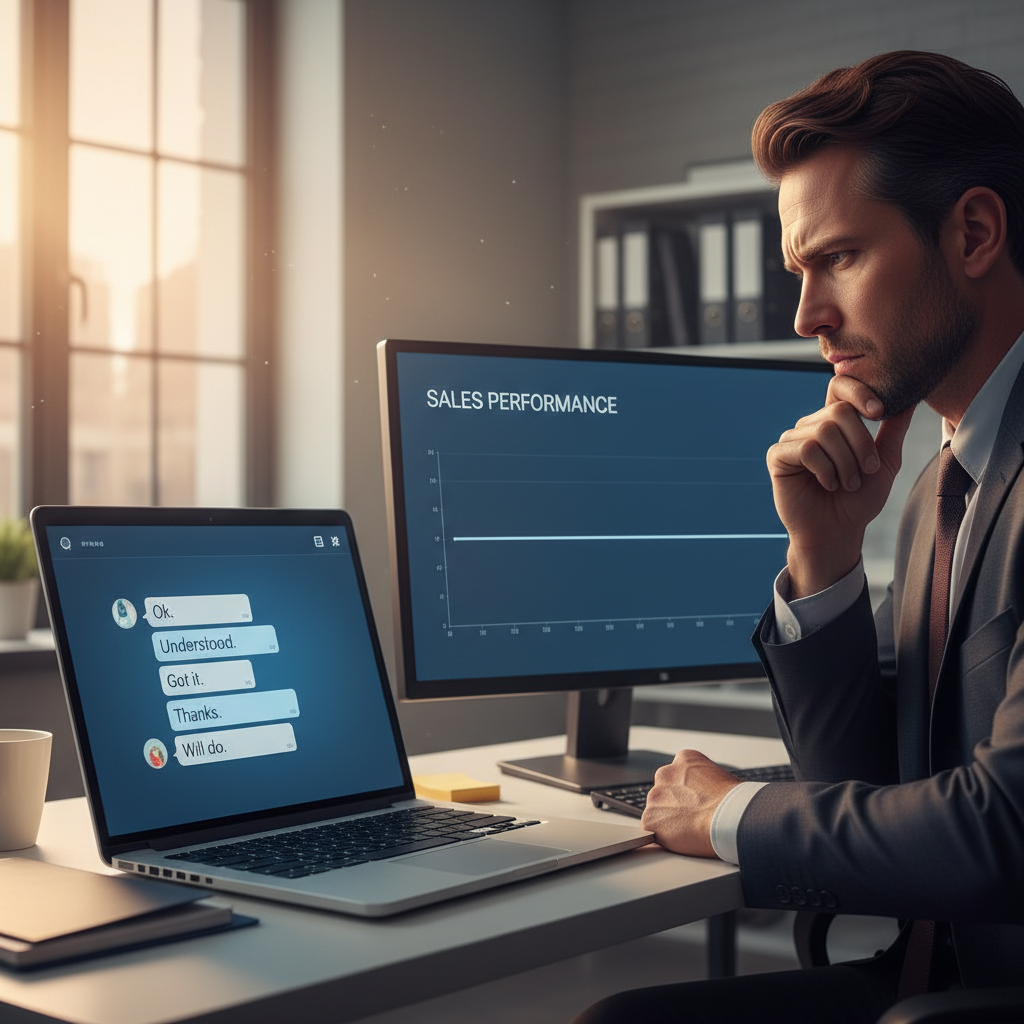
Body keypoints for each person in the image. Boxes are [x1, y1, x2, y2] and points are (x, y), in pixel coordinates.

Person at [572, 50, 1024, 1023]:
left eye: (839, 258)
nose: (805, 315)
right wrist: (823, 555)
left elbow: (1005, 830)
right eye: (796, 269)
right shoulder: (939, 485)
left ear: (974, 233)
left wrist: (729, 810)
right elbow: (859, 792)